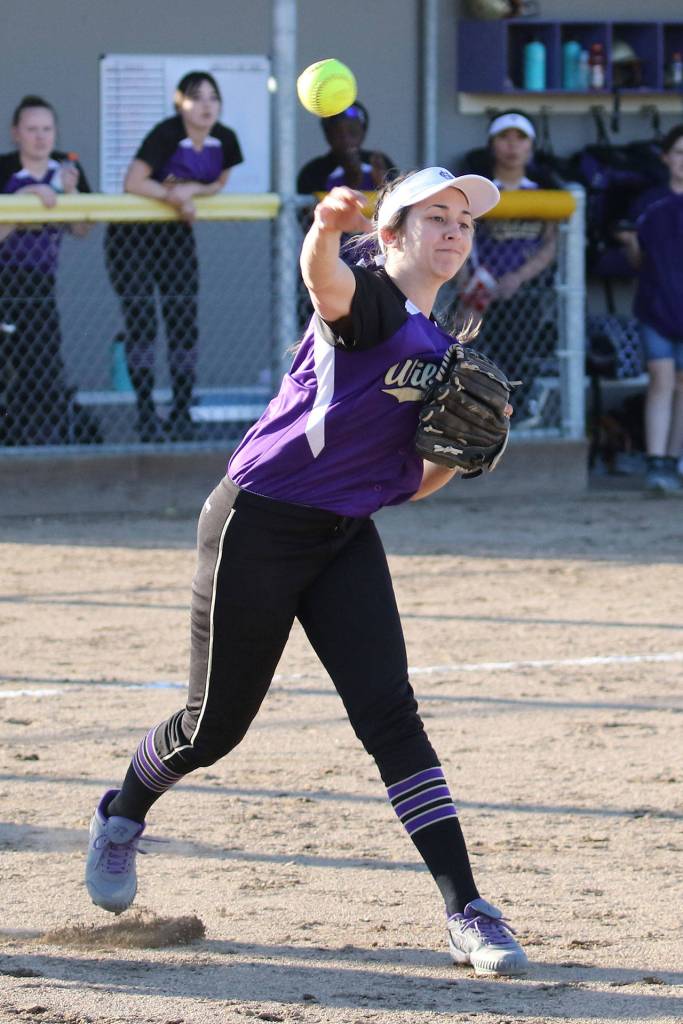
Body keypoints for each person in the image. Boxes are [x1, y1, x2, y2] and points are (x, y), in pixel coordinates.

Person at [85, 165, 530, 978]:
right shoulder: (366, 300)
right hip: (256, 523)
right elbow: (323, 283)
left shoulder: (440, 349)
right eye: (434, 216)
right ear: (391, 234)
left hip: (342, 536)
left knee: (391, 717)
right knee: (211, 728)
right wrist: (326, 228)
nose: (453, 231)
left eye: (462, 221)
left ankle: (467, 908)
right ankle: (121, 814)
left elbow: (411, 482)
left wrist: (459, 457)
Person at [104, 72, 243, 442]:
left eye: (213, 97)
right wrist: (173, 196)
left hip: (175, 235)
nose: (206, 105)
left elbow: (217, 184)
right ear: (178, 102)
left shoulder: (225, 139)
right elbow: (133, 182)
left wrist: (189, 190)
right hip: (132, 236)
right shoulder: (166, 133)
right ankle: (146, 412)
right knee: (144, 324)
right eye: (196, 97)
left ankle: (181, 411)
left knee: (183, 320)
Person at [455, 110, 558, 419]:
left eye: (521, 138)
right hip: (481, 292)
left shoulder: (543, 192)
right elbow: (460, 237)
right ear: (491, 144)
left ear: (531, 146)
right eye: (504, 137)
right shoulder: (480, 193)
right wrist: (465, 285)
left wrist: (519, 277)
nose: (512, 146)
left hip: (525, 293)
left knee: (519, 358)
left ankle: (517, 414)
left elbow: (551, 244)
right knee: (478, 356)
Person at [0, 95, 91, 446]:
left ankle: (34, 438)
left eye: (47, 129)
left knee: (40, 361)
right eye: (32, 129)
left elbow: (82, 230)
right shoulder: (6, 169)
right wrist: (28, 197)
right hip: (5, 275)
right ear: (16, 134)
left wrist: (69, 196)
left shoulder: (66, 171)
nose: (40, 137)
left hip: (39, 280)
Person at [616, 124, 683, 494]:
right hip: (656, 308)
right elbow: (636, 260)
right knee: (661, 380)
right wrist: (630, 244)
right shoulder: (649, 203)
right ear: (667, 158)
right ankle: (656, 462)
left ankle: (672, 460)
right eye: (679, 153)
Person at [296, 101, 395, 195]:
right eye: (337, 133)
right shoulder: (313, 171)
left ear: (363, 133)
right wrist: (351, 181)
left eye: (353, 132)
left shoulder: (379, 163)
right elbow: (308, 211)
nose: (346, 139)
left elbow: (398, 208)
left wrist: (382, 184)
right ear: (327, 135)